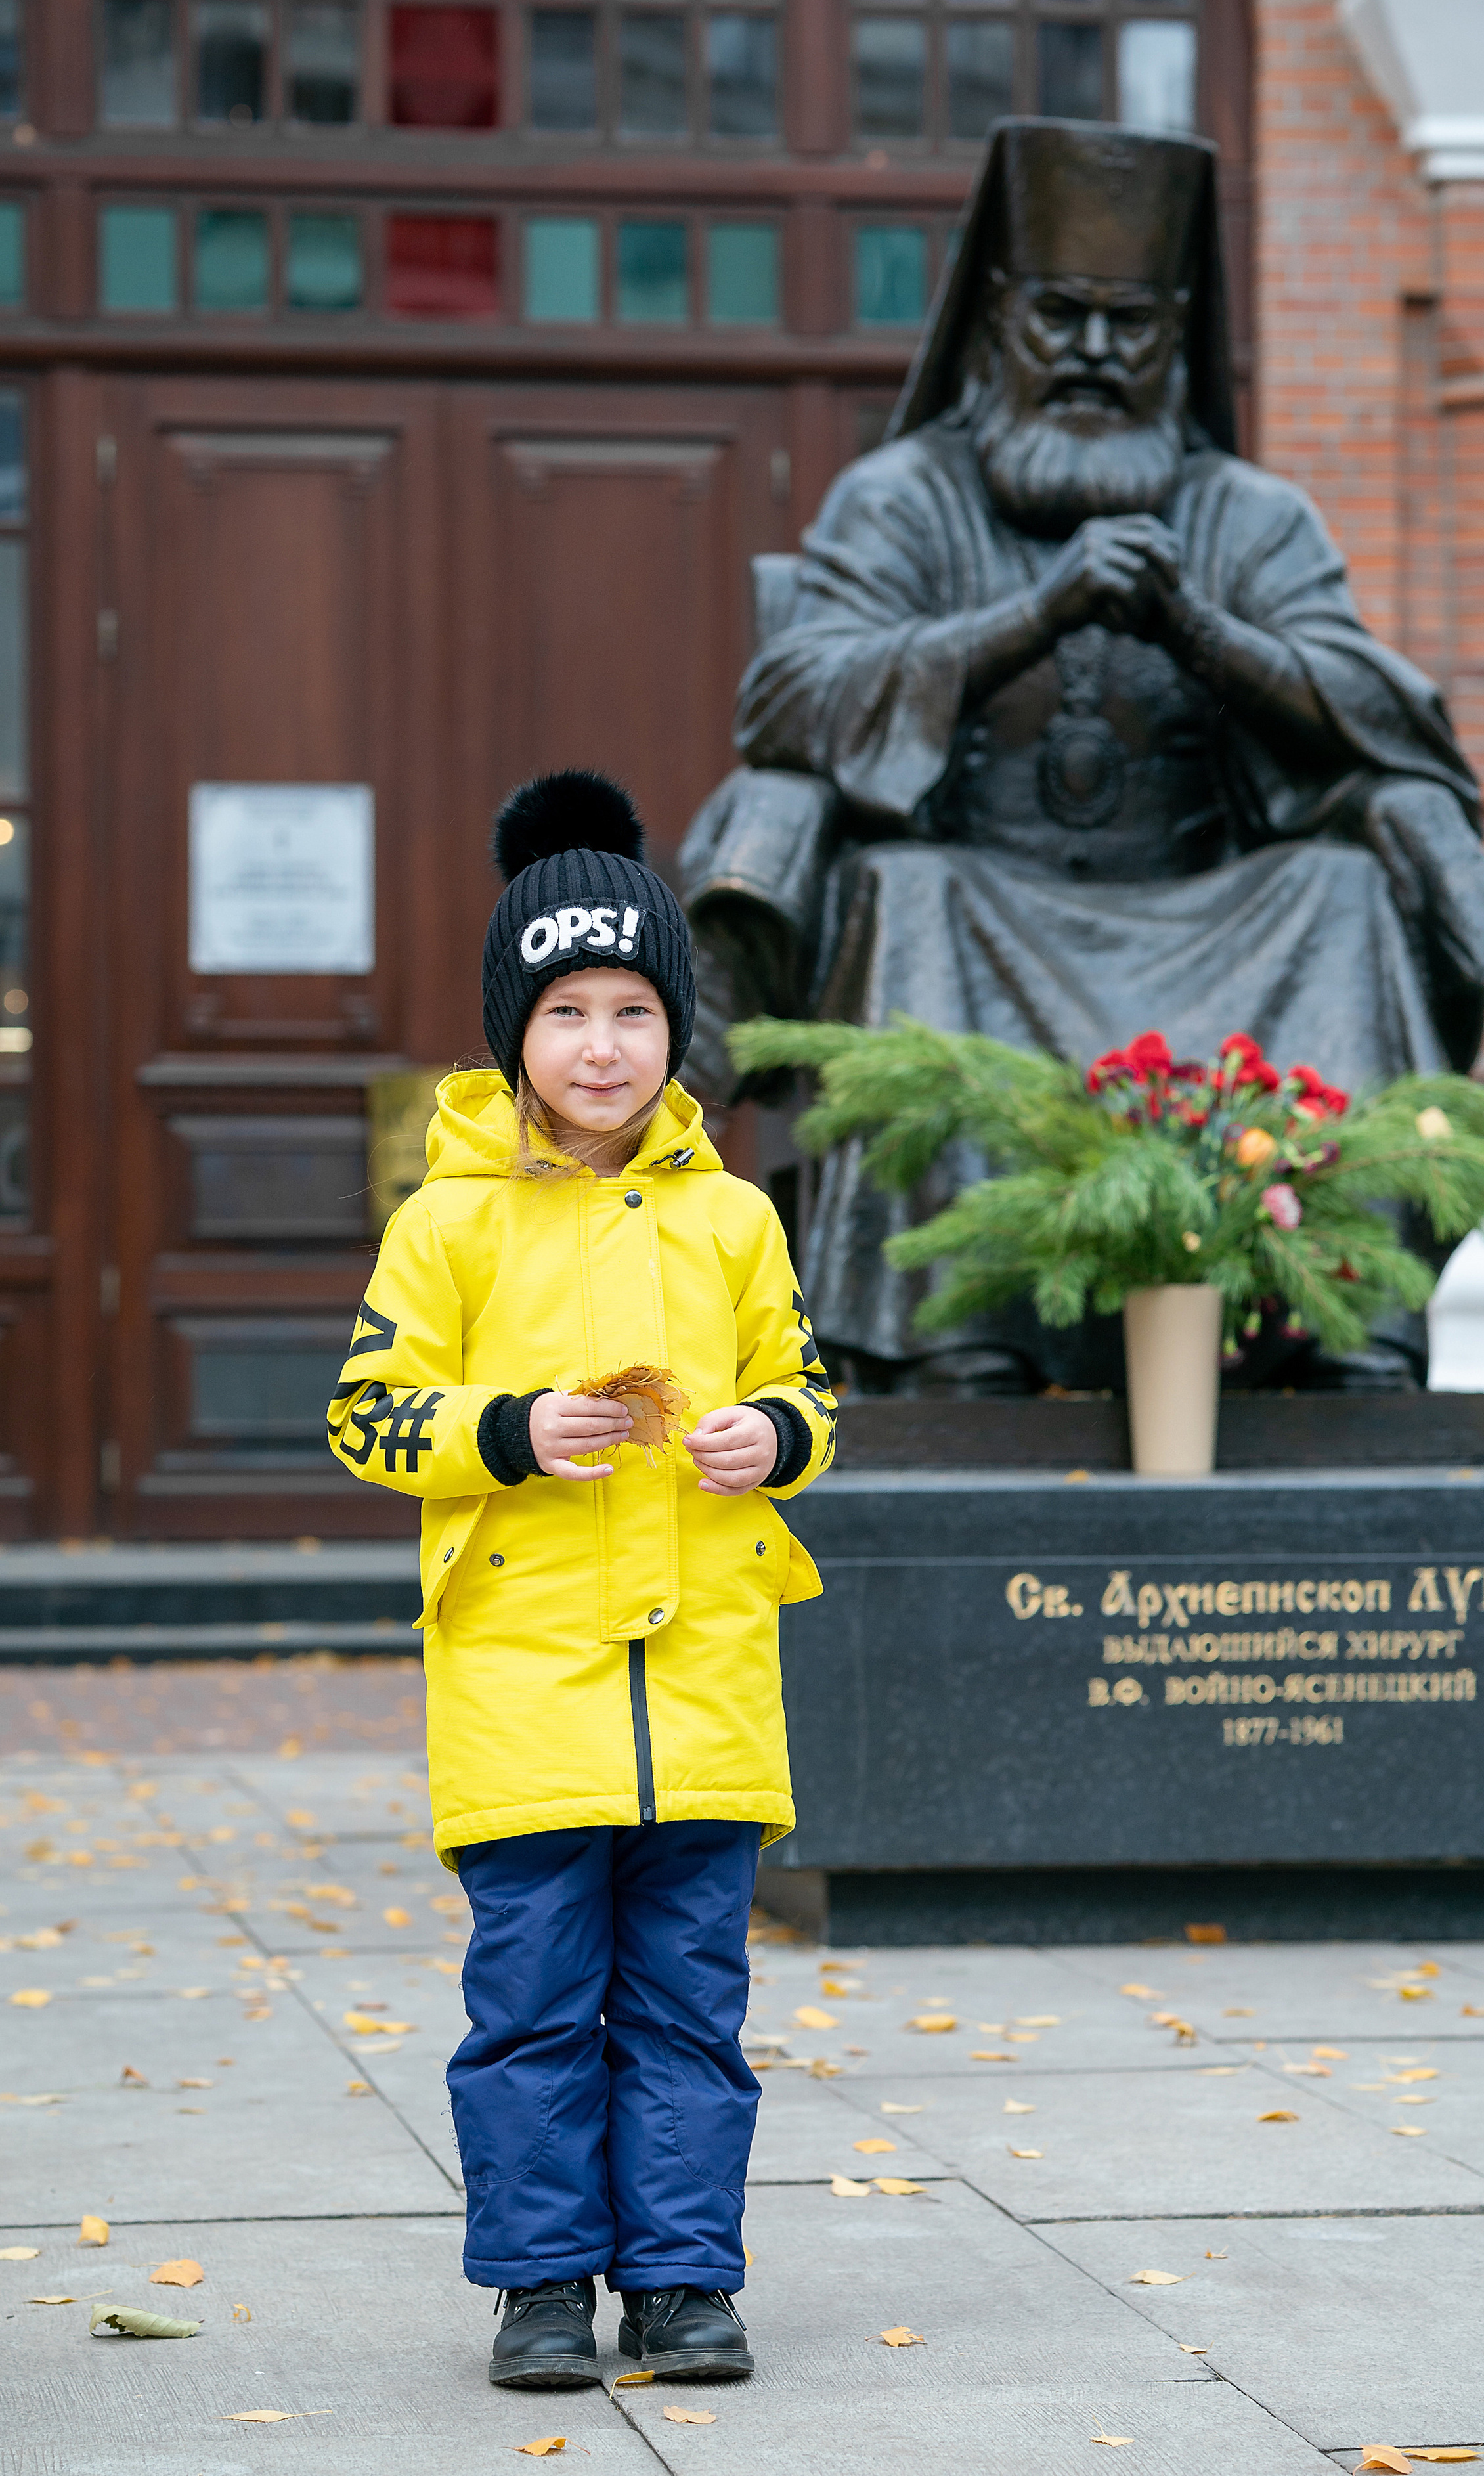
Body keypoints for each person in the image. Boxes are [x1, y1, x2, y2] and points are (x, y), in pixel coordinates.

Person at [679, 120, 1484, 1392]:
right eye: (1059, 316)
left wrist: (1201, 632)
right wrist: (1026, 618)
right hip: (974, 909)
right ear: (994, 318)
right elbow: (793, 692)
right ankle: (953, 1330)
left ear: (1178, 332)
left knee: (1342, 891)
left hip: (1213, 917)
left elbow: (1381, 707)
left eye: (1129, 324)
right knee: (906, 895)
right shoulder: (900, 498)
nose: (1092, 353)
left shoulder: (1249, 517)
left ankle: (1341, 1314)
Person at [328, 769, 836, 2389]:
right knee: (533, 2015)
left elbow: (809, 1386)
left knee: (689, 2010)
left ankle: (683, 2281)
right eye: (565, 1012)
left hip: (700, 1695)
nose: (603, 1046)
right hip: (523, 1698)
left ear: (675, 1029)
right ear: (511, 1033)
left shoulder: (738, 1220)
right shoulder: (448, 1228)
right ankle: (541, 2283)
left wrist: (773, 1433)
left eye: (634, 1009)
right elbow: (364, 1413)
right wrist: (502, 1428)